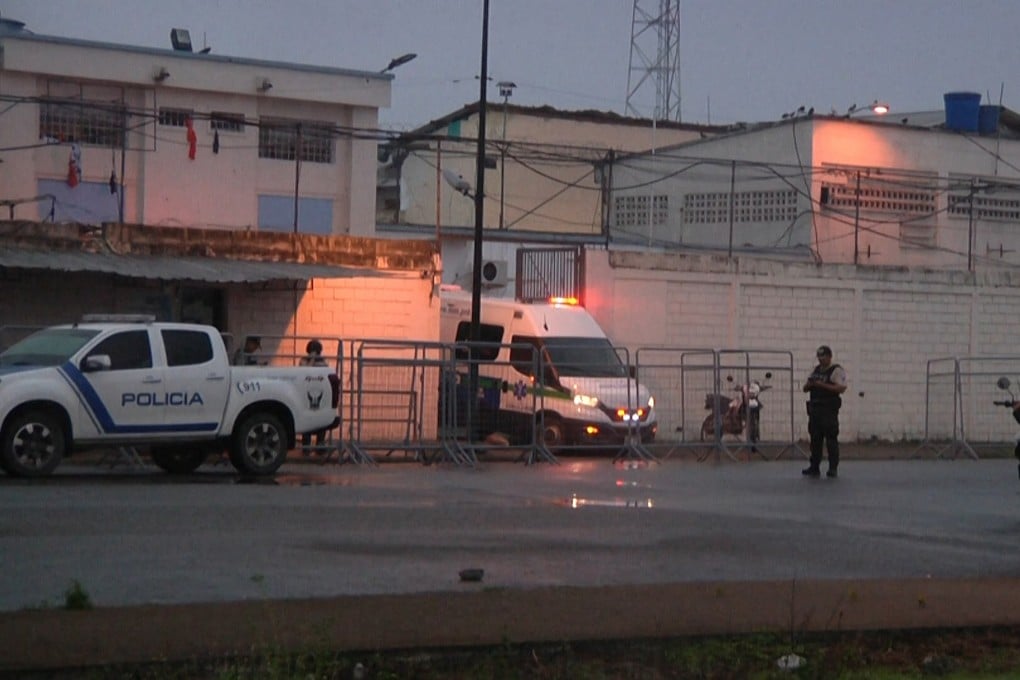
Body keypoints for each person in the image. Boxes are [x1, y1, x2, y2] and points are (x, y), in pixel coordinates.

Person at [802, 345, 848, 478]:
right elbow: (805, 388)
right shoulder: (815, 370)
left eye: (823, 357)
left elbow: (841, 388)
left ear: (829, 357)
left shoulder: (836, 370)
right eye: (819, 357)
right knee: (815, 440)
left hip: (829, 410)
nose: (821, 360)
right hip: (815, 410)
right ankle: (814, 466)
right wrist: (810, 385)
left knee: (831, 439)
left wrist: (822, 385)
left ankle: (833, 468)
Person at [300, 339, 329, 453]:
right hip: (307, 393)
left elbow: (325, 371)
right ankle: (306, 446)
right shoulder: (303, 360)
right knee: (307, 418)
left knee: (321, 419)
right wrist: (311, 359)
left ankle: (320, 445)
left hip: (319, 391)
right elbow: (306, 371)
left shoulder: (322, 361)